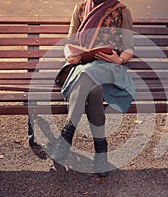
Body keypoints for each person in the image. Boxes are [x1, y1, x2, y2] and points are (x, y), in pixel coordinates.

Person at [51, 0, 135, 177]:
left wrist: (118, 60)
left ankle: (67, 134)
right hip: (83, 65)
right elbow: (69, 42)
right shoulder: (80, 8)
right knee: (94, 90)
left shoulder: (121, 11)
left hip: (109, 69)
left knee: (86, 76)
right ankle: (101, 152)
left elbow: (128, 48)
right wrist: (70, 56)